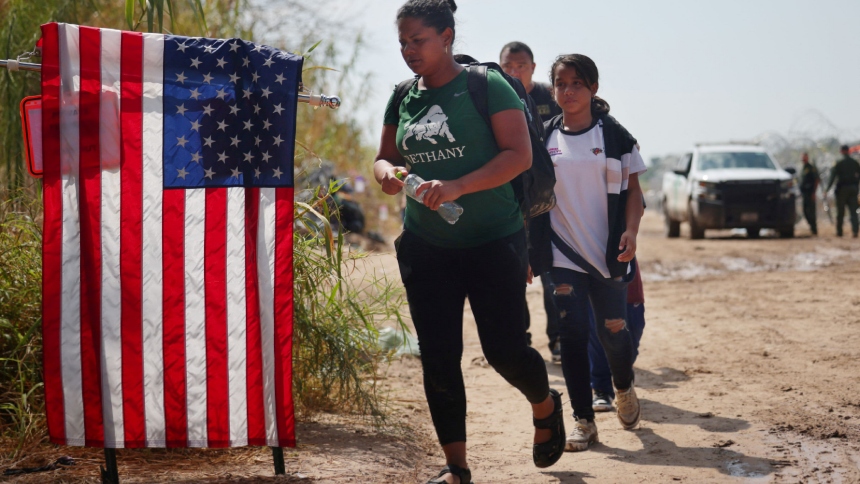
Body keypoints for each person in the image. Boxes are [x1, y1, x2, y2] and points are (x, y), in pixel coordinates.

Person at [373, 1, 565, 482]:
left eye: (418, 40)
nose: (409, 51)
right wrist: (391, 175)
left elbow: (519, 156)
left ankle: (545, 405)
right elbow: (383, 158)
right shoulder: (402, 95)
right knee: (438, 355)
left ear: (447, 36)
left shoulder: (486, 85)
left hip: (492, 240)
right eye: (403, 42)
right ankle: (456, 467)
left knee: (504, 350)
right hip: (426, 244)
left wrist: (458, 186)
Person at [538, 53, 646, 452]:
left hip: (608, 254)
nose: (568, 91)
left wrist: (631, 232)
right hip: (562, 255)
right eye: (561, 84)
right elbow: (531, 196)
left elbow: (634, 191)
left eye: (577, 84)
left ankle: (623, 386)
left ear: (593, 88)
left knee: (615, 332)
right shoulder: (544, 137)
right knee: (572, 335)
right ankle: (583, 421)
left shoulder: (615, 136)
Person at [500, 41, 563, 361]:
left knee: (552, 271)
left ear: (533, 68)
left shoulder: (549, 98)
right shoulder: (496, 97)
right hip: (512, 198)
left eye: (520, 66)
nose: (514, 72)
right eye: (508, 67)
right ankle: (519, 339)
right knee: (514, 270)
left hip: (549, 198)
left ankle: (558, 340)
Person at [589, 260, 646, 412]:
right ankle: (601, 389)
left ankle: (624, 376)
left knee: (634, 327)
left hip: (624, 269)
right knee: (598, 336)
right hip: (591, 266)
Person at [825, 145, 860, 238]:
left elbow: (832, 177)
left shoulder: (838, 162)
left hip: (842, 190)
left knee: (840, 212)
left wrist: (827, 189)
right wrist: (856, 186)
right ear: (848, 151)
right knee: (853, 211)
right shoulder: (854, 162)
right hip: (853, 189)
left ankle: (839, 231)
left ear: (841, 151)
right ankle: (855, 231)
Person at [799, 152, 820, 235]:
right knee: (805, 211)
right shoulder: (803, 168)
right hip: (804, 193)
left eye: (804, 158)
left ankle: (814, 229)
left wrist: (814, 192)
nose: (803, 159)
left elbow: (817, 180)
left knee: (811, 211)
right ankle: (811, 226)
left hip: (810, 192)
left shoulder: (811, 168)